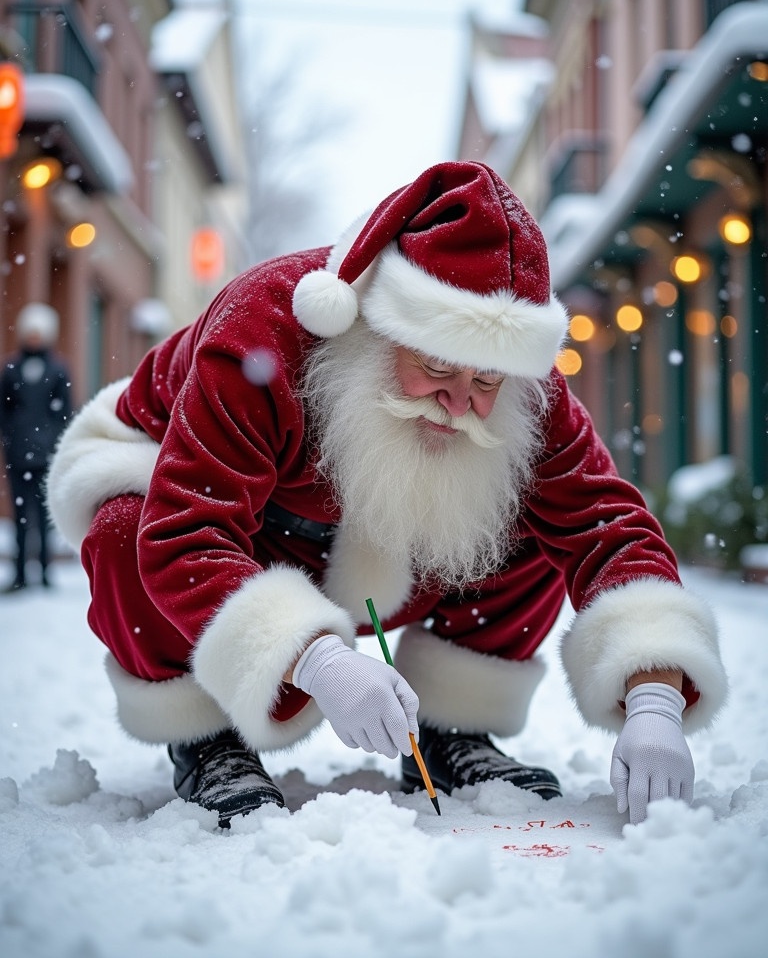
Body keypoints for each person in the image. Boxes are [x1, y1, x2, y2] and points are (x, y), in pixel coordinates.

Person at [47, 161, 727, 828]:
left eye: (486, 382)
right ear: (382, 329)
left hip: (381, 539)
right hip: (222, 522)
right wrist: (315, 658)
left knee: (528, 513)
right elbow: (185, 530)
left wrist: (655, 696)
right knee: (125, 530)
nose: (460, 400)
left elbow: (607, 526)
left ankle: (453, 728)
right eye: (436, 366)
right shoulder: (262, 331)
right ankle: (207, 739)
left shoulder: (526, 389)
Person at [1, 302, 72, 592]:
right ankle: (19, 574)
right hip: (17, 454)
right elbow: (4, 410)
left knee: (43, 515)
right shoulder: (11, 369)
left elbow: (64, 411)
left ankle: (43, 572)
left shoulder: (57, 370)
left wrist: (53, 441)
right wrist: (12, 436)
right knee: (20, 515)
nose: (34, 337)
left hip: (46, 456)